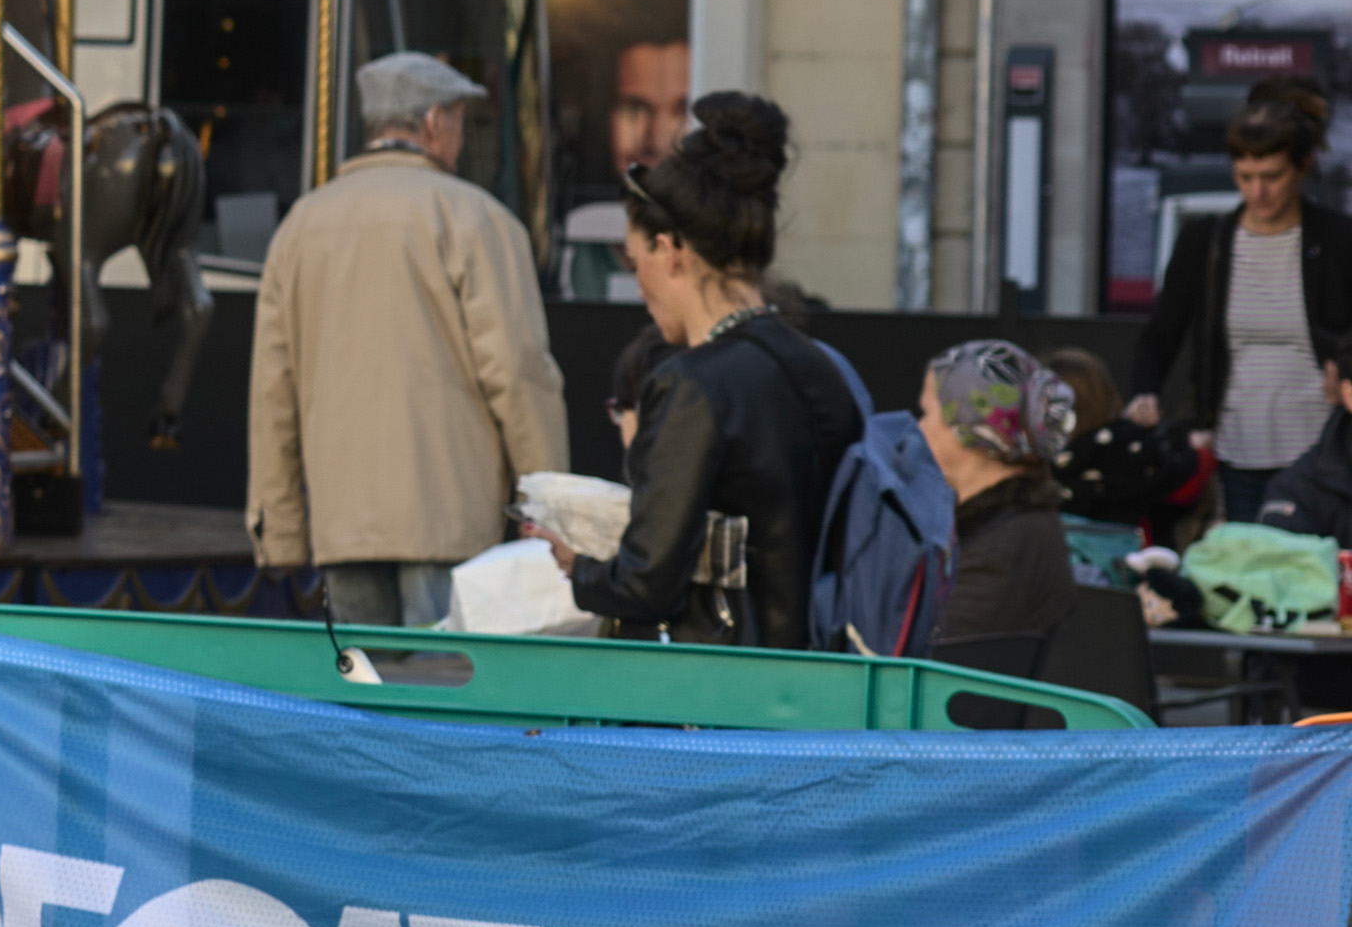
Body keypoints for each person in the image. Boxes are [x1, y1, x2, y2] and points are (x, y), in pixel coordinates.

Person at [246, 49, 563, 629]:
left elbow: (274, 392)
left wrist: (281, 527)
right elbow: (517, 373)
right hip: (449, 514)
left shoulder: (300, 227)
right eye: (462, 123)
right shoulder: (476, 219)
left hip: (340, 522)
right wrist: (549, 510)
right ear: (437, 121)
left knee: (366, 698)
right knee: (443, 696)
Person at [579, 111, 868, 646]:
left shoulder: (692, 386)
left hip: (720, 689)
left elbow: (645, 582)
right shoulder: (823, 368)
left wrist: (576, 565)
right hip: (819, 674)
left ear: (670, 251)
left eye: (635, 257)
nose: (635, 278)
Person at [900, 339, 1158, 706]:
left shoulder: (997, 550)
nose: (920, 430)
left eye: (929, 415)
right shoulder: (1018, 524)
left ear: (971, 431)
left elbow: (932, 688)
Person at [1141, 79, 1352, 511]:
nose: (1257, 192)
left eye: (1272, 177)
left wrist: (1345, 370)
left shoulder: (1337, 240)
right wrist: (1145, 391)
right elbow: (1162, 330)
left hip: (1322, 455)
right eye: (1245, 177)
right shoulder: (1206, 241)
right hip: (1236, 449)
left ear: (1303, 165)